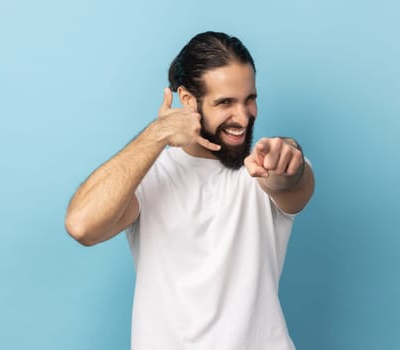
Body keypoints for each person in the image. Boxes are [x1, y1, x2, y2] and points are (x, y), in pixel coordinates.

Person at [65, 31, 315, 350]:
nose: (243, 117)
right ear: (187, 101)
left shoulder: (263, 168)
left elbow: (291, 182)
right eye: (225, 102)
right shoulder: (149, 174)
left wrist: (288, 157)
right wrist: (157, 134)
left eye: (249, 99)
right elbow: (82, 226)